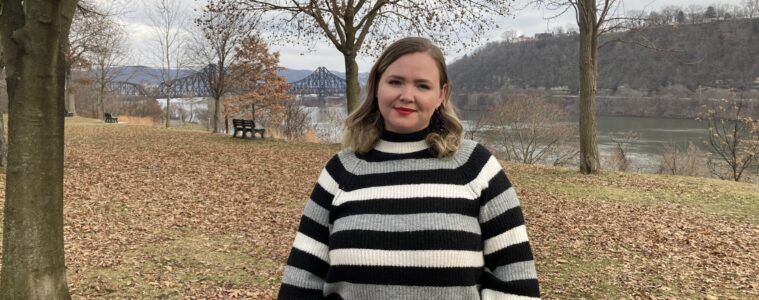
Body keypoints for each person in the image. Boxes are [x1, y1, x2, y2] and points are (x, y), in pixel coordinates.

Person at [277, 37, 540, 300]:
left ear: (441, 94)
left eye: (422, 86)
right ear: (377, 86)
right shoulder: (341, 172)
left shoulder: (475, 167)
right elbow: (301, 281)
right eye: (395, 82)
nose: (407, 96)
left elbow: (516, 280)